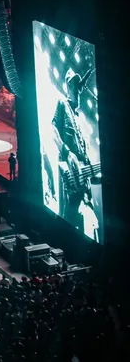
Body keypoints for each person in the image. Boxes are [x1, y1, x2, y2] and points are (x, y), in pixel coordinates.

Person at [52, 67, 100, 240]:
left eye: (78, 87)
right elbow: (53, 129)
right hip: (69, 170)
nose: (77, 91)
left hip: (81, 174)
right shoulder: (62, 104)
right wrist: (67, 152)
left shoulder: (78, 116)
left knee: (85, 218)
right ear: (67, 86)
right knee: (69, 214)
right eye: (73, 85)